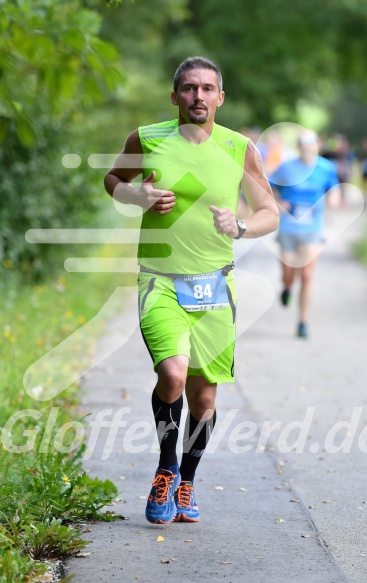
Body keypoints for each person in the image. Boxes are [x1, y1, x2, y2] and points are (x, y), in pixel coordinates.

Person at [104, 56, 278, 524]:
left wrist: (240, 226)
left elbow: (270, 212)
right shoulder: (146, 138)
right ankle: (165, 468)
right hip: (159, 279)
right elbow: (113, 180)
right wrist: (135, 195)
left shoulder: (239, 147)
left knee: (203, 399)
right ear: (174, 94)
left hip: (215, 285)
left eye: (207, 89)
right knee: (174, 376)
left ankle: (187, 483)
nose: (197, 96)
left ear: (220, 97)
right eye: (188, 88)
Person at [269, 130, 340, 338]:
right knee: (289, 273)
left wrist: (333, 200)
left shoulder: (326, 168)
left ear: (316, 145)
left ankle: (302, 322)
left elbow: (333, 188)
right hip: (289, 228)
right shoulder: (286, 168)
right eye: (303, 144)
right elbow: (270, 188)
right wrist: (278, 202)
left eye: (311, 143)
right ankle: (287, 287)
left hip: (312, 228)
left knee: (307, 275)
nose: (307, 147)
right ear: (299, 146)